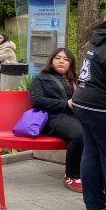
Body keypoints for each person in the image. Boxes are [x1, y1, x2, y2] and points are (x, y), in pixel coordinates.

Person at [29, 48, 83, 192]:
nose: (61, 61)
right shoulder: (41, 78)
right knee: (80, 134)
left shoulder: (76, 80)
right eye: (58, 58)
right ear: (51, 60)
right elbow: (37, 101)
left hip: (76, 117)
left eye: (66, 59)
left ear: (71, 63)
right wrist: (65, 104)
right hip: (52, 118)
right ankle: (72, 175)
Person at [73, 17, 106, 210]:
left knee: (92, 152)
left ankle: (94, 206)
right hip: (102, 107)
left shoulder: (100, 40)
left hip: (82, 102)